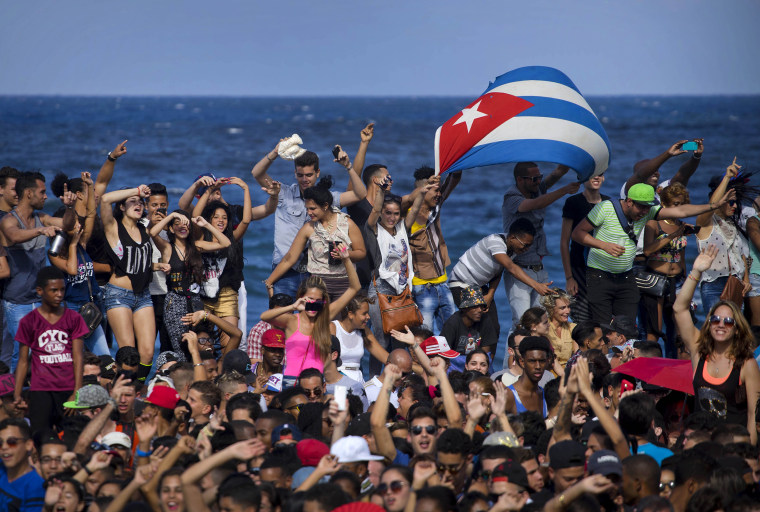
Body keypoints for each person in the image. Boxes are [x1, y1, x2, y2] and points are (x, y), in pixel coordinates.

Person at [572, 181, 733, 324]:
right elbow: (578, 233)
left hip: (626, 276)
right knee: (603, 326)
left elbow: (682, 212)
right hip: (599, 276)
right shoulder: (605, 208)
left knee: (627, 328)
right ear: (629, 201)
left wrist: (715, 205)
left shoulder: (649, 211)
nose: (644, 211)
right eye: (641, 206)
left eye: (648, 207)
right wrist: (603, 245)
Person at [251, 141, 367, 297]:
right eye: (300, 175)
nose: (304, 179)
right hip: (284, 270)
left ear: (317, 173)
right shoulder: (283, 193)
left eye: (309, 175)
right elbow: (257, 173)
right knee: (281, 318)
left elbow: (360, 194)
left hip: (315, 272)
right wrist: (276, 152)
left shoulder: (328, 198)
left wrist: (348, 167)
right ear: (295, 174)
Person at [673, 245, 760, 444]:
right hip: (699, 443)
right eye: (716, 320)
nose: (721, 325)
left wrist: (749, 457)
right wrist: (696, 271)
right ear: (710, 323)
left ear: (737, 328)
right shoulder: (699, 351)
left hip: (730, 447)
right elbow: (679, 308)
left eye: (728, 321)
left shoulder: (746, 364)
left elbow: (752, 417)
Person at [1, 171, 76, 370]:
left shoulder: (41, 217)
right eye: (42, 192)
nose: (45, 196)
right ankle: (18, 396)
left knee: (48, 351)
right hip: (17, 301)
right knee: (22, 352)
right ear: (28, 194)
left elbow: (68, 225)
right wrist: (40, 231)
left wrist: (69, 208)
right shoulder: (9, 220)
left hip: (40, 299)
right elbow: (14, 236)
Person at [260, 242, 360, 387]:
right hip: (291, 382)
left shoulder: (325, 317)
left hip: (316, 383)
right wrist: (293, 306)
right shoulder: (292, 320)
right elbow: (264, 316)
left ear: (323, 303)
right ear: (301, 297)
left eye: (317, 301)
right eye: (310, 300)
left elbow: (354, 287)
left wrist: (346, 260)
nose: (313, 305)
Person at [501, 162, 580, 332]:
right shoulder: (511, 197)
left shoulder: (535, 188)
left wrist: (570, 156)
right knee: (521, 322)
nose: (538, 182)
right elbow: (535, 204)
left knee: (541, 322)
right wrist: (564, 190)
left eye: (540, 177)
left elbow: (558, 172)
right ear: (520, 180)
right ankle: (513, 358)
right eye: (534, 178)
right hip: (519, 270)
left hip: (539, 269)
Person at [264, 175, 366, 301]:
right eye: (307, 209)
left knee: (341, 321)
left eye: (312, 209)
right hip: (317, 287)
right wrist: (269, 282)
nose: (309, 213)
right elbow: (289, 258)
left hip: (345, 284)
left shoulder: (347, 223)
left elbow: (361, 253)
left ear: (325, 205)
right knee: (316, 320)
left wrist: (346, 255)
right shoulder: (309, 228)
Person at [449, 219, 553, 340]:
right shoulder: (495, 243)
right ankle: (467, 356)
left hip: (479, 287)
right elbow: (510, 267)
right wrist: (536, 285)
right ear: (513, 237)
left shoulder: (512, 251)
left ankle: (487, 358)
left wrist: (490, 295)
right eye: (525, 245)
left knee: (493, 329)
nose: (527, 249)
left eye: (530, 246)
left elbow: (497, 272)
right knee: (476, 326)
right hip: (462, 284)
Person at [13, 266, 88, 433]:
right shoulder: (29, 321)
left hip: (68, 388)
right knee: (40, 436)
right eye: (54, 290)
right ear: (40, 291)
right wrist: (17, 394)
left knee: (70, 436)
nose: (59, 294)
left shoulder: (74, 318)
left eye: (62, 290)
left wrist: (77, 391)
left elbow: (78, 357)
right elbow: (23, 361)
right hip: (41, 390)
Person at [149, 209, 231, 359]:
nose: (182, 226)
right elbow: (153, 233)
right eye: (178, 224)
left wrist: (206, 224)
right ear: (172, 229)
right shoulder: (168, 248)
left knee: (201, 344)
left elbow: (225, 243)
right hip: (175, 302)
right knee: (181, 347)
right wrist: (172, 216)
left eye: (186, 224)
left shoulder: (197, 246)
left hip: (196, 302)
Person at [48, 172, 109, 356]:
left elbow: (90, 214)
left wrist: (90, 186)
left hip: (93, 305)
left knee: (105, 359)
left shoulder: (81, 242)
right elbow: (72, 270)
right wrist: (73, 244)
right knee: (76, 358)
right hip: (72, 309)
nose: (79, 227)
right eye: (74, 225)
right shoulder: (55, 255)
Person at [365, 182, 428, 356]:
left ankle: (400, 380)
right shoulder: (374, 230)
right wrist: (382, 192)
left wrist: (422, 192)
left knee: (401, 340)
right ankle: (377, 379)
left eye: (396, 214)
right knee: (381, 340)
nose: (391, 217)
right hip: (381, 290)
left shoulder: (402, 229)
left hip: (402, 290)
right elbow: (374, 211)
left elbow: (414, 210)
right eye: (388, 213)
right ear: (382, 214)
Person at [100, 184, 156, 381]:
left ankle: (137, 387)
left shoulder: (144, 228)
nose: (138, 204)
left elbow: (141, 262)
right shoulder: (114, 227)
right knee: (128, 353)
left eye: (141, 202)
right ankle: (121, 389)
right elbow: (105, 199)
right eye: (132, 201)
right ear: (122, 207)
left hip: (143, 296)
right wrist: (137, 191)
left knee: (147, 353)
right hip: (118, 296)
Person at [193, 177, 257, 347]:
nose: (221, 220)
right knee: (204, 344)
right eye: (216, 217)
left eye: (224, 218)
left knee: (229, 344)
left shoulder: (232, 239)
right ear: (209, 219)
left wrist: (245, 188)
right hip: (202, 295)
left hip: (227, 296)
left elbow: (246, 220)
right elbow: (195, 216)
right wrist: (209, 191)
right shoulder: (200, 238)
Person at [407, 166, 462, 333]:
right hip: (422, 287)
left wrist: (453, 162)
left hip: (442, 283)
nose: (439, 194)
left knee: (451, 333)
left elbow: (455, 177)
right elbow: (407, 201)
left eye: (439, 191)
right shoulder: (406, 215)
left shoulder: (436, 207)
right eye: (435, 191)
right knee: (426, 336)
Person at [694, 158, 752, 314]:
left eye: (736, 203)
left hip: (736, 283)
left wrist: (745, 279)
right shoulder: (706, 222)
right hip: (714, 283)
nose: (734, 206)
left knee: (734, 330)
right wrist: (727, 177)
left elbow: (741, 254)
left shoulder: (732, 224)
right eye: (730, 202)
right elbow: (711, 206)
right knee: (715, 329)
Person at [642, 182, 693, 358]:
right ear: (664, 204)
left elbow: (682, 255)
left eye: (682, 204)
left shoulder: (682, 224)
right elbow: (648, 250)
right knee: (654, 331)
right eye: (675, 204)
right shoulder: (654, 223)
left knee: (682, 331)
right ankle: (649, 377)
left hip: (677, 280)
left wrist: (686, 280)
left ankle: (682, 375)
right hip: (656, 279)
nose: (679, 208)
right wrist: (673, 234)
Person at [561, 173, 609, 324]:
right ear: (582, 178)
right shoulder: (573, 202)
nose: (596, 178)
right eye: (591, 175)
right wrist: (569, 277)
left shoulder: (609, 202)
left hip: (604, 269)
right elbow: (564, 241)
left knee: (604, 319)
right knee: (581, 319)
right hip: (579, 268)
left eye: (600, 175)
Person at [439, 286, 498, 370]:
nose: (479, 310)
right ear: (464, 308)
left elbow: (486, 353)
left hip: (477, 362)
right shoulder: (452, 323)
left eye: (481, 306)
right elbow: (444, 353)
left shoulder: (485, 320)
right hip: (455, 364)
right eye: (475, 307)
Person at [0, 418, 45, 512]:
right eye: (0, 443)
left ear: (28, 445)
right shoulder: (2, 467)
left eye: (12, 442)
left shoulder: (35, 487)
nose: (4, 447)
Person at [505, 336, 551, 417]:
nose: (538, 366)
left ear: (547, 362)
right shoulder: (508, 395)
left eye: (542, 361)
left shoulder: (545, 396)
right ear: (522, 362)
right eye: (532, 361)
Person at [541, 289, 577, 368]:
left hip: (569, 369)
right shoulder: (543, 329)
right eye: (563, 308)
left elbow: (577, 355)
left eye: (568, 307)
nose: (567, 311)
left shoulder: (573, 327)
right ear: (551, 309)